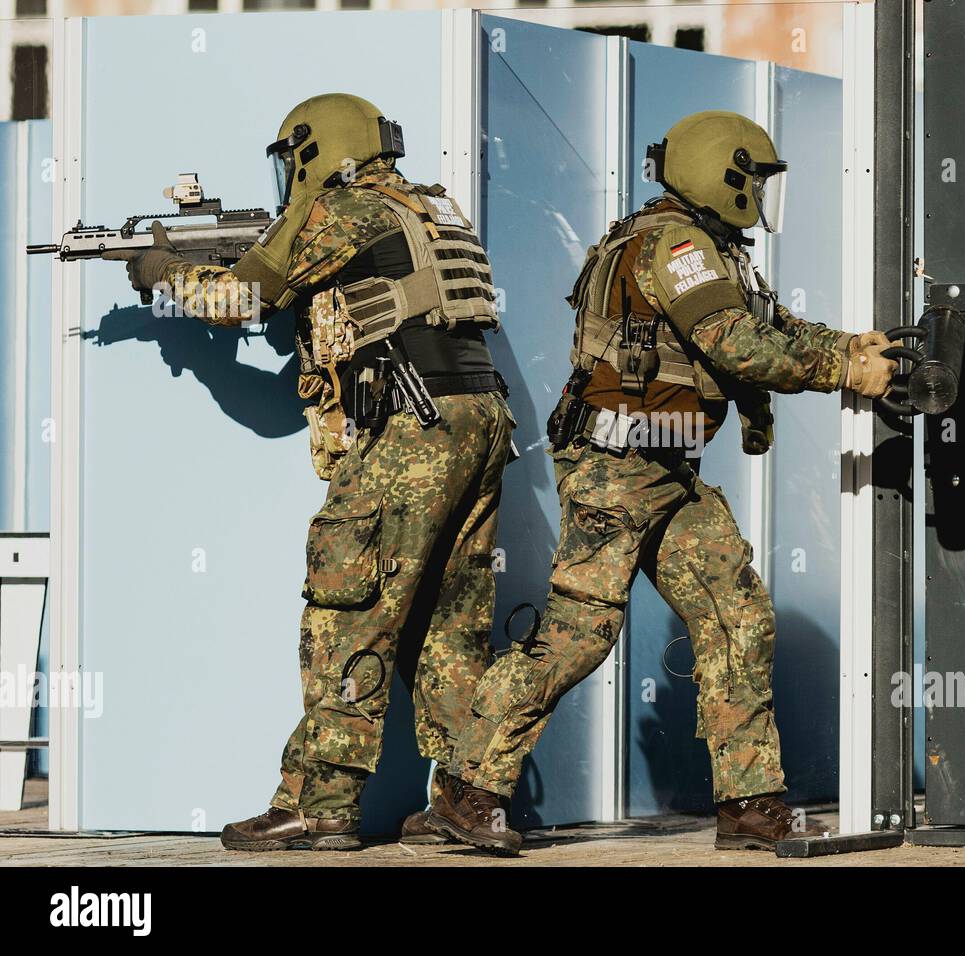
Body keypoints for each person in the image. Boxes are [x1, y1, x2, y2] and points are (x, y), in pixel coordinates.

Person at [413, 110, 896, 855]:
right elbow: (735, 344)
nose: (763, 198)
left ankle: (750, 804)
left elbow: (770, 325)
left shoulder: (704, 246)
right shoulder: (676, 246)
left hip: (665, 467)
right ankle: (468, 790)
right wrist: (843, 371)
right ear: (722, 176)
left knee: (737, 614)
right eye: (756, 182)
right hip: (617, 470)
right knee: (580, 634)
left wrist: (850, 346)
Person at [105, 93, 514, 850]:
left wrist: (158, 268)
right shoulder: (431, 206)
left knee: (345, 612)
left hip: (411, 426)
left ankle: (321, 805)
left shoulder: (340, 209)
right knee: (449, 626)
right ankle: (467, 801)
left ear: (313, 151)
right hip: (480, 418)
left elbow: (238, 299)